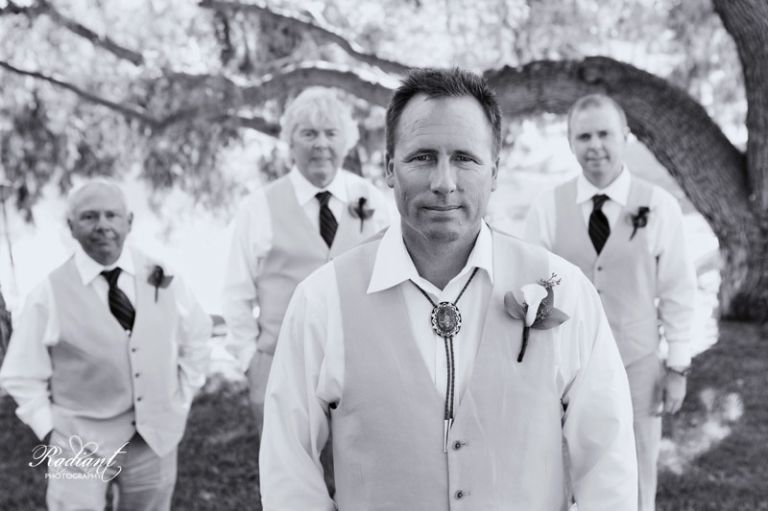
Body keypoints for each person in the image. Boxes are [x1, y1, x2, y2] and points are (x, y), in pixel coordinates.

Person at [260, 68, 638, 510]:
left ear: (494, 171)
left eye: (464, 158)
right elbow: (289, 469)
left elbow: (608, 462)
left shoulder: (566, 290)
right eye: (422, 157)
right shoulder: (322, 301)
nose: (444, 182)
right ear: (389, 168)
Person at [525, 93, 698, 511]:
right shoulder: (547, 208)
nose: (595, 145)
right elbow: (529, 288)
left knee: (637, 471)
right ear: (570, 142)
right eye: (584, 136)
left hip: (638, 365)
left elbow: (678, 291)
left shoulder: (660, 206)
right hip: (565, 370)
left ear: (625, 136)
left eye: (605, 134)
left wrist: (677, 366)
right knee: (564, 469)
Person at [0, 180, 212, 511]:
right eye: (89, 216)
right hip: (78, 443)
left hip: (154, 440)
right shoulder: (48, 293)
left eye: (112, 215)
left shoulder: (164, 276)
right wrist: (49, 429)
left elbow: (197, 337)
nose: (102, 225)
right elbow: (21, 374)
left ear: (129, 222)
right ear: (71, 226)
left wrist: (181, 400)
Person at [222, 87, 391, 436]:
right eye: (309, 134)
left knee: (359, 465)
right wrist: (251, 363)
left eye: (331, 133)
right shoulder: (258, 208)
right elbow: (236, 294)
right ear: (290, 141)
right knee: (288, 467)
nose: (321, 144)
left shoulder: (372, 200)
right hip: (280, 370)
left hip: (361, 369)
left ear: (347, 141)